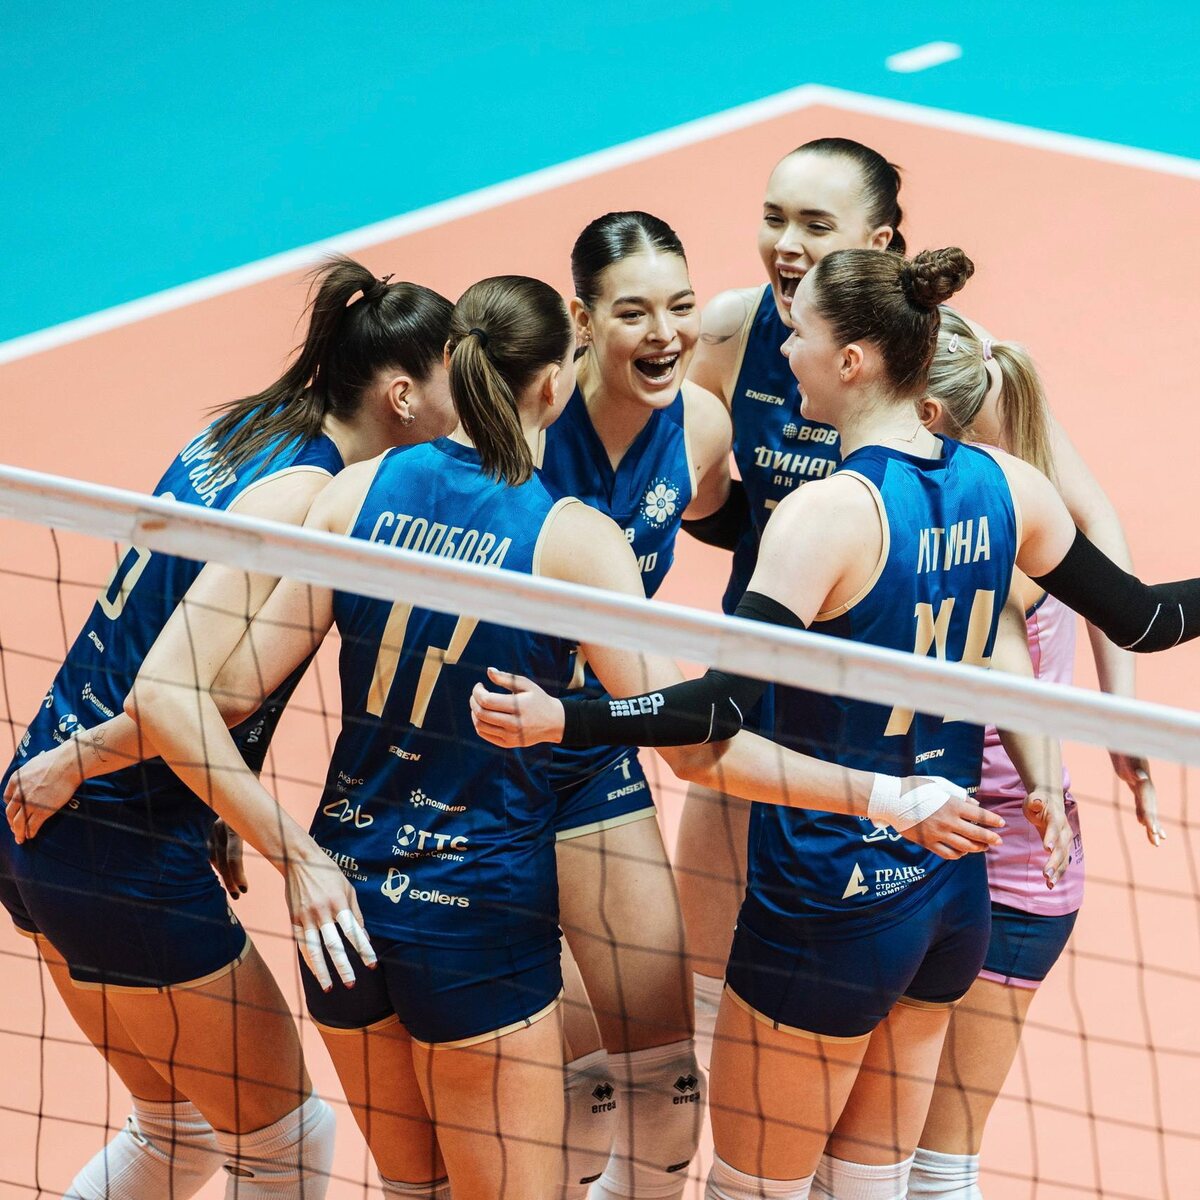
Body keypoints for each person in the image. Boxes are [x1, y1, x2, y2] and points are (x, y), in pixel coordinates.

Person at [470, 246, 1200, 1200]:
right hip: (948, 895)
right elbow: (1147, 618)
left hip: (829, 901)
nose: (785, 351)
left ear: (850, 360)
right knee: (871, 1190)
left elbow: (713, 712)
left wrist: (565, 717)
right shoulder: (1007, 486)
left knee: (750, 1190)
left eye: (799, 334)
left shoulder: (825, 517)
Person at [677, 137, 1156, 1067]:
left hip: (883, 728)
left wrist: (1117, 712)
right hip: (759, 682)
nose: (786, 244)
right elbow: (706, 498)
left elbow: (1061, 555)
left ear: (880, 244)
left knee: (827, 1023)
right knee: (708, 1008)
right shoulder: (735, 333)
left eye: (816, 225)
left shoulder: (940, 362)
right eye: (774, 218)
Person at [0, 257, 455, 1198]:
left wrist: (204, 796)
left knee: (176, 1133)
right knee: (288, 1146)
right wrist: (299, 858)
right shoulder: (311, 501)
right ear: (404, 396)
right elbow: (176, 693)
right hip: (113, 837)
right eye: (461, 376)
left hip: (44, 817)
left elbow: (166, 633)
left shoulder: (249, 427)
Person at [907, 310, 1163, 1199]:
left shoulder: (983, 526)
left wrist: (1061, 762)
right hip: (927, 847)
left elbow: (1016, 636)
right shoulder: (1017, 474)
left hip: (1003, 864)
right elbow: (1105, 532)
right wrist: (1121, 715)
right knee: (891, 1155)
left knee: (934, 1165)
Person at [538, 210, 731, 1199]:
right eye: (633, 313)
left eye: (681, 307)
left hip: (599, 754)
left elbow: (734, 517)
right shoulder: (523, 430)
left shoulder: (701, 426)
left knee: (667, 1080)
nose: (665, 334)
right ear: (582, 320)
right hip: (481, 764)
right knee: (575, 1091)